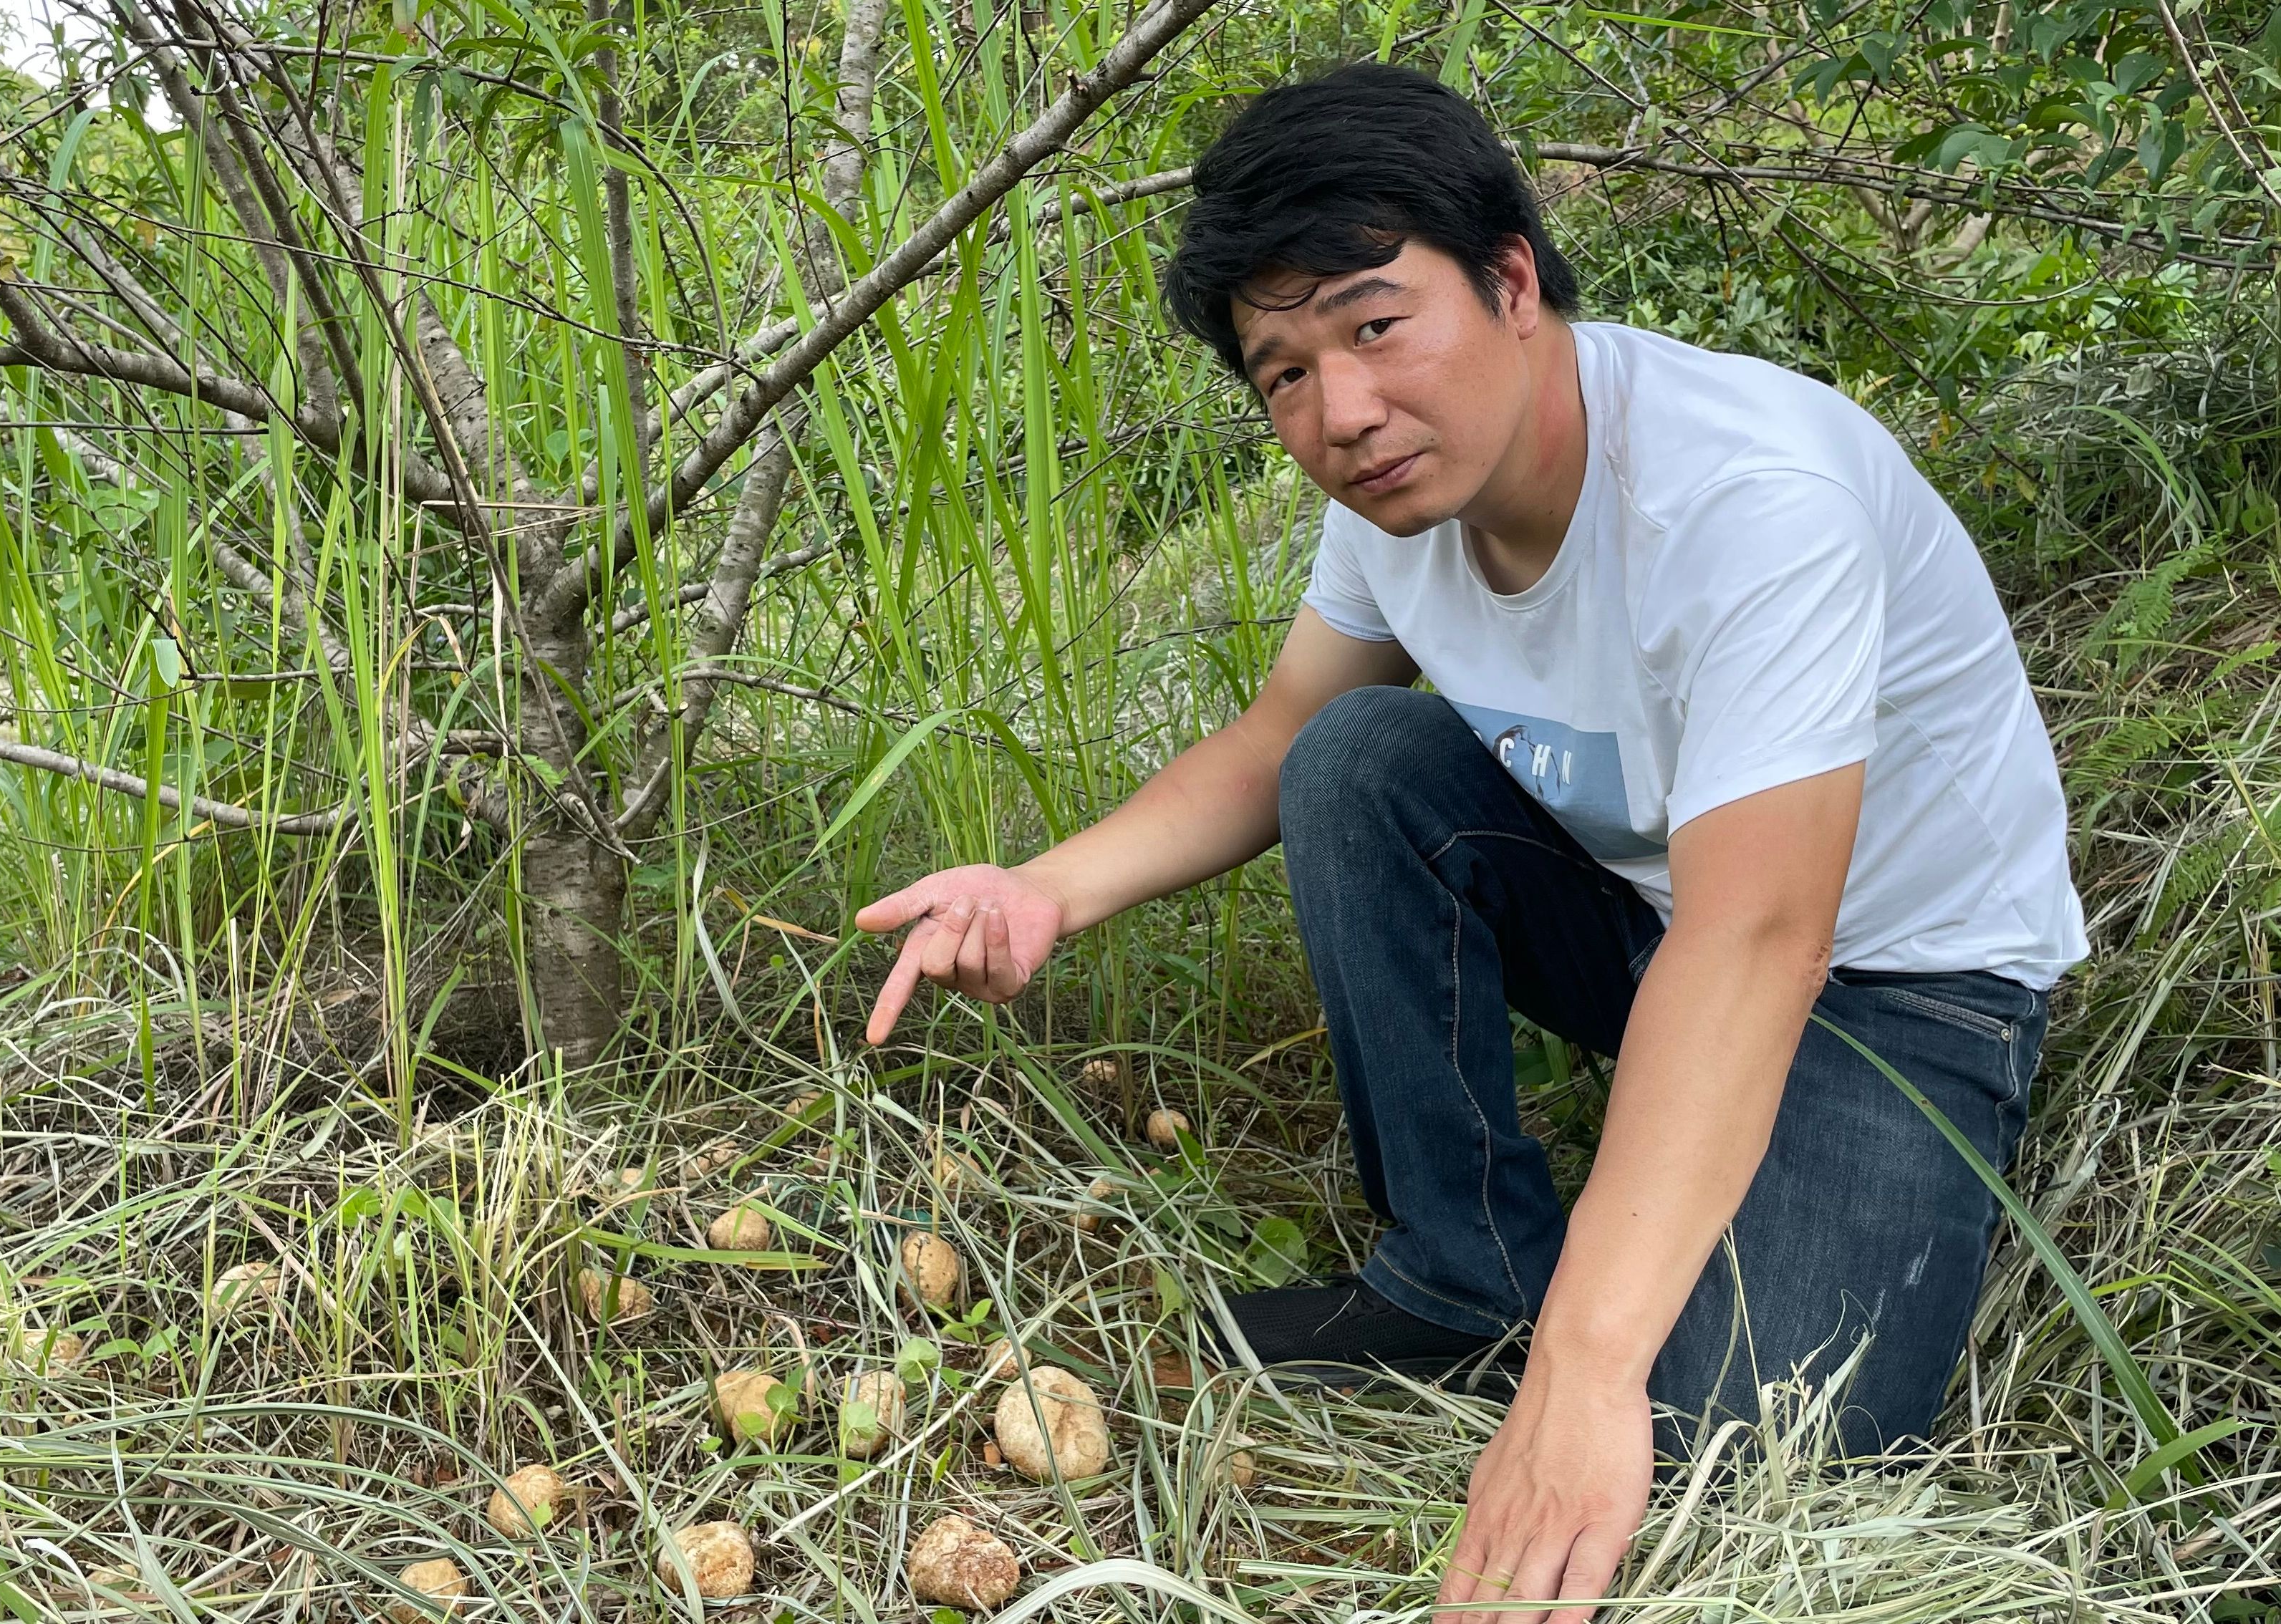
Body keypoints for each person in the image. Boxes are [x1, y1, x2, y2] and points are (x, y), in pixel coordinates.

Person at [853, 60, 2086, 1624]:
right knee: (1359, 756)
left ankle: (1585, 1311)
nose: (1340, 412)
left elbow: (1760, 937)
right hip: (1662, 925)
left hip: (1897, 984)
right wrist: (1042, 887)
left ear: (1510, 278)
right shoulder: (1396, 502)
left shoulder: (1746, 497)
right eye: (1281, 372)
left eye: (1373, 325)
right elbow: (1279, 737)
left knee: (1749, 1458)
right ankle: (1461, 1275)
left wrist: (1584, 1372)